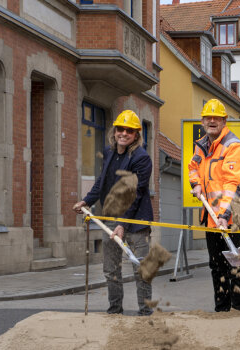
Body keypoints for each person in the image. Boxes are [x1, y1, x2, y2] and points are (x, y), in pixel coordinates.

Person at [73, 110, 154, 316]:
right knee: (111, 270)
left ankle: (145, 314)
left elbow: (134, 194)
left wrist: (122, 224)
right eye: (120, 129)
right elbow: (101, 182)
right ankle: (115, 311)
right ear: (115, 131)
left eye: (129, 130)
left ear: (136, 135)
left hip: (135, 223)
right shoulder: (109, 153)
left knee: (141, 270)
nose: (124, 133)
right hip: (109, 219)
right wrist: (87, 200)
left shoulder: (141, 158)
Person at [189, 99, 240, 312]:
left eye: (217, 118)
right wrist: (196, 184)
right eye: (208, 117)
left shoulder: (234, 146)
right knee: (216, 267)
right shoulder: (202, 146)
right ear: (202, 121)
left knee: (236, 267)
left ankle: (238, 311)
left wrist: (224, 215)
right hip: (212, 219)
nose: (212, 121)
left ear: (224, 121)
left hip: (234, 219)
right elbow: (193, 167)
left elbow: (232, 186)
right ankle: (221, 310)